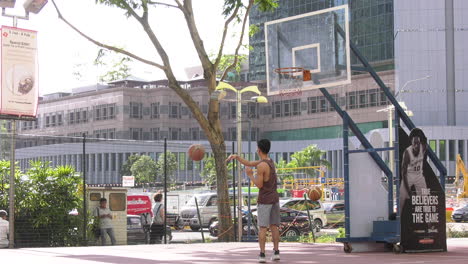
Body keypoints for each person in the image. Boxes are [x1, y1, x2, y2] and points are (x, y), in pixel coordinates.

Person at [227, 139, 280, 263]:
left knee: (262, 228)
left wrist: (250, 175)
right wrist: (237, 157)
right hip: (274, 199)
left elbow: (259, 185)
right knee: (274, 227)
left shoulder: (261, 166)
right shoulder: (270, 162)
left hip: (265, 200)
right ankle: (276, 252)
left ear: (259, 150)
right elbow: (250, 163)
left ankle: (262, 255)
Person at [400, 128, 428, 212]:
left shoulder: (423, 147)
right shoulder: (407, 153)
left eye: (418, 143)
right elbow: (403, 172)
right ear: (412, 143)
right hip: (408, 175)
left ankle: (430, 224)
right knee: (401, 197)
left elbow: (425, 140)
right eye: (414, 143)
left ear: (420, 143)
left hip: (419, 175)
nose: (416, 146)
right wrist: (408, 191)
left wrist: (420, 134)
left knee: (425, 199)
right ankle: (399, 220)